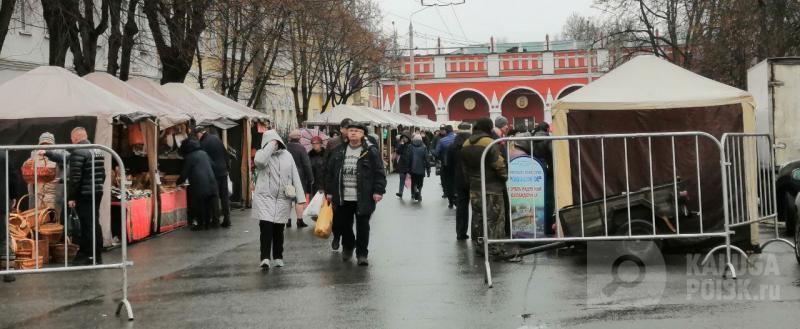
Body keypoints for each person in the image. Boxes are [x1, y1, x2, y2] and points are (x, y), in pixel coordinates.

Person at [325, 122, 386, 266]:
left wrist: (378, 191)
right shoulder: (339, 150)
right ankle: (348, 246)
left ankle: (362, 254)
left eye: (357, 131)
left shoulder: (370, 151)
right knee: (343, 225)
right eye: (351, 130)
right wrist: (329, 191)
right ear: (346, 133)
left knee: (363, 226)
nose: (353, 133)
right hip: (342, 195)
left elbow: (379, 172)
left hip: (363, 195)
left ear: (362, 134)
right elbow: (330, 171)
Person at [460, 119, 517, 260]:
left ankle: (480, 246)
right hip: (492, 187)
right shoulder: (489, 143)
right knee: (495, 219)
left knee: (478, 217)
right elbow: (498, 164)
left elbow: (464, 168)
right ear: (489, 128)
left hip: (475, 187)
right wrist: (504, 177)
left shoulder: (466, 143)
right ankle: (495, 248)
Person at [253, 130, 306, 269]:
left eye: (276, 142)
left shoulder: (287, 155)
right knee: (266, 228)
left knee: (278, 229)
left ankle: (278, 256)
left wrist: (300, 198)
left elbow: (295, 175)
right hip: (265, 198)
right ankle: (264, 258)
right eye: (272, 142)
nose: (275, 145)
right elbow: (259, 163)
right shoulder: (262, 154)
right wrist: (269, 147)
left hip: (283, 198)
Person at [67, 127, 106, 265]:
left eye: (72, 140)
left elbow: (75, 178)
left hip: (84, 193)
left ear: (75, 138)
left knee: (87, 224)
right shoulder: (98, 150)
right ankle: (97, 252)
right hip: (97, 191)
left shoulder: (77, 152)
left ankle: (89, 254)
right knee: (95, 221)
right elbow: (103, 174)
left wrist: (71, 197)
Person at [323, 118, 352, 251]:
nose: (350, 131)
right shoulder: (333, 143)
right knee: (337, 214)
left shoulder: (356, 143)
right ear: (341, 129)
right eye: (347, 128)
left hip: (350, 186)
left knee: (348, 217)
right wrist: (326, 188)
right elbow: (326, 165)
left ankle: (347, 242)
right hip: (335, 186)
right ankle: (336, 236)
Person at [177, 139, 219, 231]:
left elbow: (184, 174)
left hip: (199, 184)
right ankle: (207, 224)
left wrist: (177, 183)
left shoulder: (189, 157)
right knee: (208, 204)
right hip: (211, 182)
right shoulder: (204, 153)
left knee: (199, 205)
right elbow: (213, 165)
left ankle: (200, 224)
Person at [196, 127, 231, 228]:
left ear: (200, 134)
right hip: (223, 171)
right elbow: (225, 153)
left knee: (214, 196)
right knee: (224, 196)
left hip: (214, 173)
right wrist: (227, 168)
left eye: (197, 135)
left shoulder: (203, 144)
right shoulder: (216, 138)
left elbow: (205, 161)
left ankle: (215, 220)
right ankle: (227, 220)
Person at [1, 151, 23, 282]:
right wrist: (14, 195)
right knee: (4, 236)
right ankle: (8, 271)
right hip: (2, 201)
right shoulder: (4, 154)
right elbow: (13, 177)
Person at [285, 130, 313, 228]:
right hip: (299, 176)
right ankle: (299, 220)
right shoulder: (301, 148)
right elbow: (306, 164)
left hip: (286, 175)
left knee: (288, 197)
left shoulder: (285, 147)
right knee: (299, 198)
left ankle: (287, 220)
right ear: (299, 138)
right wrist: (310, 178)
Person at [449, 122, 472, 240]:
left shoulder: (453, 145)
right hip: (473, 178)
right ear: (470, 129)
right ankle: (477, 233)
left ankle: (460, 232)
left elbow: (449, 164)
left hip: (459, 179)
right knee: (477, 207)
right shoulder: (473, 143)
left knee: (461, 206)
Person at [435, 125, 456, 207]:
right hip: (457, 165)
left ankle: (450, 201)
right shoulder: (458, 139)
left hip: (446, 164)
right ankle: (456, 197)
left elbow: (436, 152)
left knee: (448, 183)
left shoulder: (442, 141)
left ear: (446, 131)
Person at [405, 134, 430, 202]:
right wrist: (428, 170)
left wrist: (407, 169)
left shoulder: (410, 146)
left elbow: (408, 158)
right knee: (420, 182)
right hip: (421, 169)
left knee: (413, 182)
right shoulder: (424, 147)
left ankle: (413, 193)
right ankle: (419, 192)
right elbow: (427, 159)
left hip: (412, 169)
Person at [394, 132, 412, 199]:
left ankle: (413, 193)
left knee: (410, 180)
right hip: (402, 165)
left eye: (405, 138)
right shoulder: (401, 145)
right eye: (403, 138)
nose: (404, 139)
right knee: (402, 179)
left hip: (409, 165)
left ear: (408, 138)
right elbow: (398, 152)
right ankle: (400, 193)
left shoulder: (411, 145)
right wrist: (401, 145)